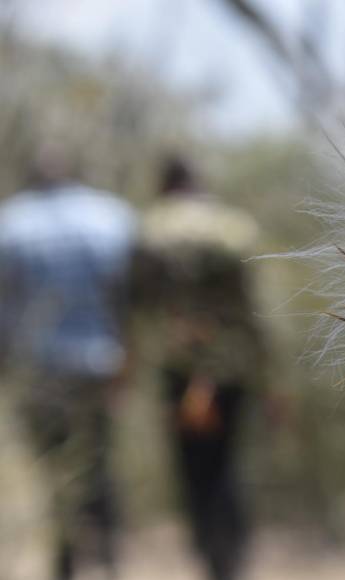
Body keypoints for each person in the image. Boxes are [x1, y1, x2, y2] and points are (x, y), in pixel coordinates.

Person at [0, 145, 136, 580]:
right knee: (99, 460)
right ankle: (109, 557)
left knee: (52, 465)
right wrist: (128, 356)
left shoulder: (11, 223)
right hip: (99, 362)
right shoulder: (111, 217)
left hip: (40, 365)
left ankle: (65, 565)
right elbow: (126, 297)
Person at [132, 156, 266, 580]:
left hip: (177, 367)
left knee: (193, 465)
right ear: (198, 181)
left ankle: (209, 551)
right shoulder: (233, 228)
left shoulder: (148, 230)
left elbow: (139, 306)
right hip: (231, 367)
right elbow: (253, 309)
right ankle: (232, 556)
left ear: (163, 184)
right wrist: (271, 375)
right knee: (227, 460)